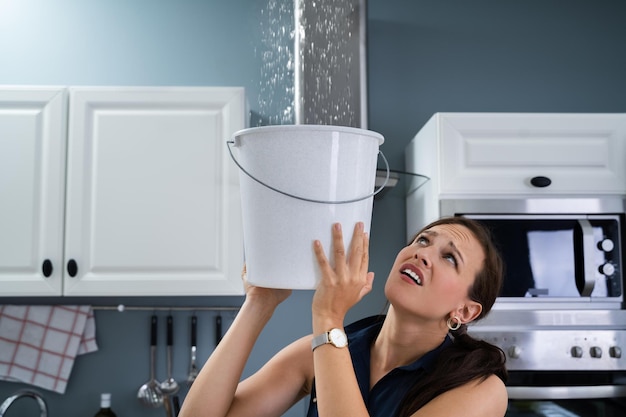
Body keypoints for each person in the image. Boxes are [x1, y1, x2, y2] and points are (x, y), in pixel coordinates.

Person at [179, 216, 508, 417]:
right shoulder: (322, 352)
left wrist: (328, 316)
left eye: (449, 257)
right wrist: (259, 302)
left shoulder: (481, 391)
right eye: (423, 240)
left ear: (465, 311)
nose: (422, 253)